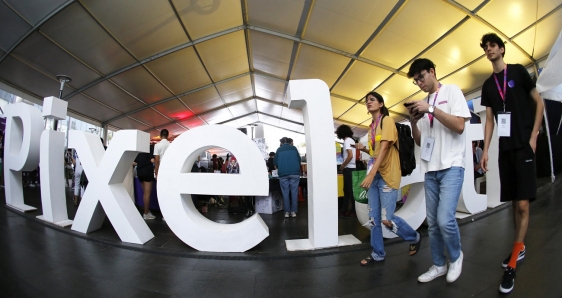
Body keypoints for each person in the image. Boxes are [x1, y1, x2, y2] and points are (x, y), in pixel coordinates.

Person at [478, 33, 544, 294]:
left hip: (524, 146)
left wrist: (534, 136)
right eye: (485, 47)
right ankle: (520, 244)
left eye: (492, 45)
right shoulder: (488, 85)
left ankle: (513, 261)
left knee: (524, 203)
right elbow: (491, 121)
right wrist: (484, 150)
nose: (488, 49)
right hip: (505, 150)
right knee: (515, 202)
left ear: (502, 49)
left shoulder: (518, 71)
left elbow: (539, 103)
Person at [405, 58, 471, 283]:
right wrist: (414, 121)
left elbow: (460, 126)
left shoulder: (452, 91)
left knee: (444, 219)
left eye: (421, 77)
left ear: (432, 72)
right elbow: (419, 140)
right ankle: (439, 264)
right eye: (416, 81)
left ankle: (455, 256)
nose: (420, 83)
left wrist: (431, 108)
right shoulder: (423, 103)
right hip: (431, 167)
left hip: (452, 164)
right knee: (432, 223)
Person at [355, 92, 421, 266]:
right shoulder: (371, 127)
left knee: (387, 219)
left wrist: (370, 174)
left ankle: (414, 236)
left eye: (372, 99)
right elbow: (376, 152)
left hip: (387, 175)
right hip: (375, 175)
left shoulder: (387, 121)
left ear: (381, 103)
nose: (368, 102)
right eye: (366, 100)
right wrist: (364, 150)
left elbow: (384, 150)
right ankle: (378, 253)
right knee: (374, 220)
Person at [274, 137, 301, 218]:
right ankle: (293, 212)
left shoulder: (279, 149)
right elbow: (299, 160)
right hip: (295, 173)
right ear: (290, 142)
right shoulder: (294, 148)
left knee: (285, 193)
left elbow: (275, 162)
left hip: (283, 174)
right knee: (294, 192)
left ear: (281, 142)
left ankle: (286, 212)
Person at [335, 124, 356, 218]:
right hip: (353, 168)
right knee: (350, 191)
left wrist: (342, 165)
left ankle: (348, 211)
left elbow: (350, 155)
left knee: (348, 191)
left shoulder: (347, 141)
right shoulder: (352, 140)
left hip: (348, 168)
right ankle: (348, 210)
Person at [134, 145, 155, 220]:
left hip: (139, 172)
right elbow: (152, 160)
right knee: (147, 194)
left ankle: (147, 211)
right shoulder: (148, 147)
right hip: (147, 171)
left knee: (145, 194)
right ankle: (146, 213)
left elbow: (134, 162)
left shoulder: (138, 148)